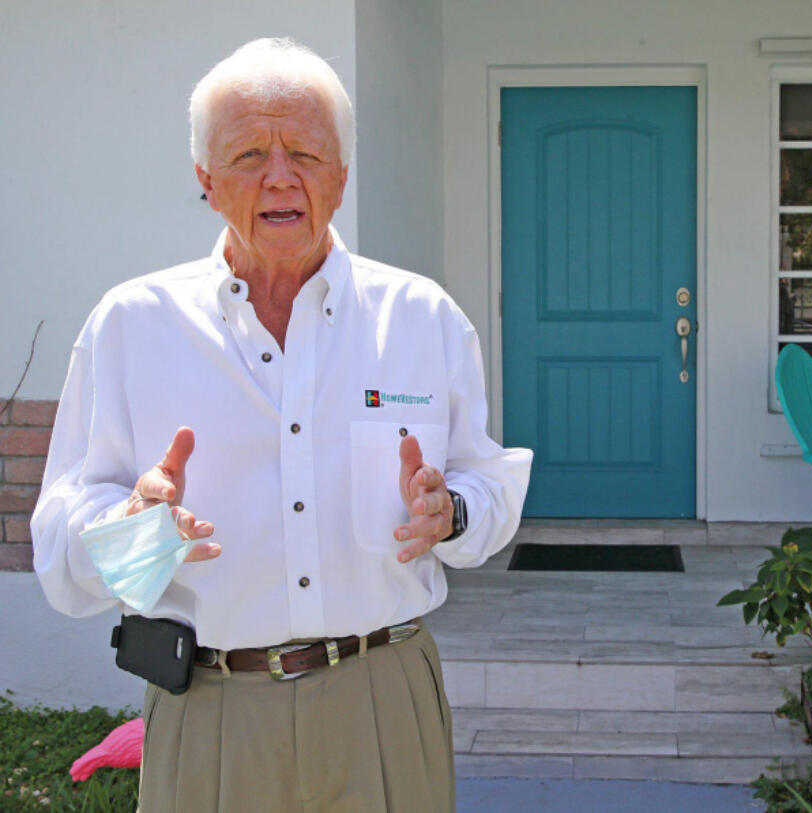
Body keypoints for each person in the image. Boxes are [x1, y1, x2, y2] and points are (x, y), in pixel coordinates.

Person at [30, 37, 532, 812]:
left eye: (304, 150)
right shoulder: (131, 325)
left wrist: (452, 510)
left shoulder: (422, 317)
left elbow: (486, 482)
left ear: (341, 174)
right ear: (204, 178)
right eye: (246, 155)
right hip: (210, 709)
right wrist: (132, 527)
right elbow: (60, 559)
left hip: (382, 700)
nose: (279, 176)